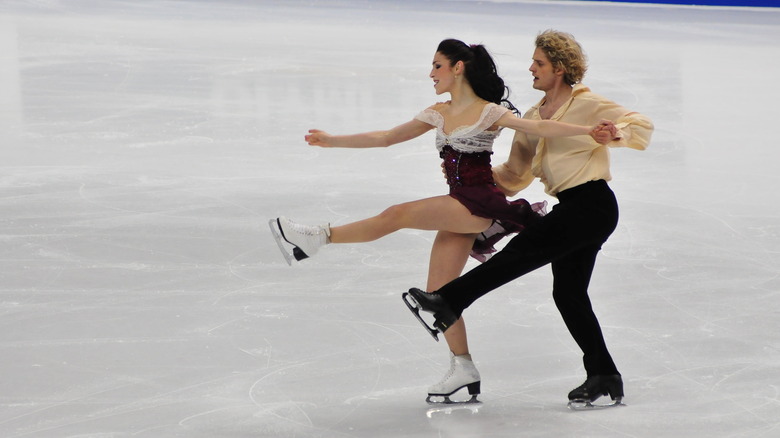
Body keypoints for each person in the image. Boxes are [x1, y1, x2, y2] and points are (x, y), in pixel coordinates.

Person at [269, 39, 613, 401]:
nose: (431, 73)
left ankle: (315, 238)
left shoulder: (489, 111)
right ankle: (463, 367)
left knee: (396, 215)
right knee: (441, 291)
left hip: (479, 202)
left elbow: (542, 129)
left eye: (437, 66)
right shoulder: (439, 112)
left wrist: (586, 131)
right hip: (460, 204)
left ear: (458, 67)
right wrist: (332, 141)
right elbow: (386, 137)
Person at [405, 29, 654, 407]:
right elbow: (514, 176)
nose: (530, 68)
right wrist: (470, 179)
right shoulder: (536, 118)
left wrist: (613, 133)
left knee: (522, 251)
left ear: (559, 68)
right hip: (572, 208)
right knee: (568, 293)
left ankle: (448, 300)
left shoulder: (587, 104)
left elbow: (641, 126)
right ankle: (605, 375)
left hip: (593, 204)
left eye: (539, 63)